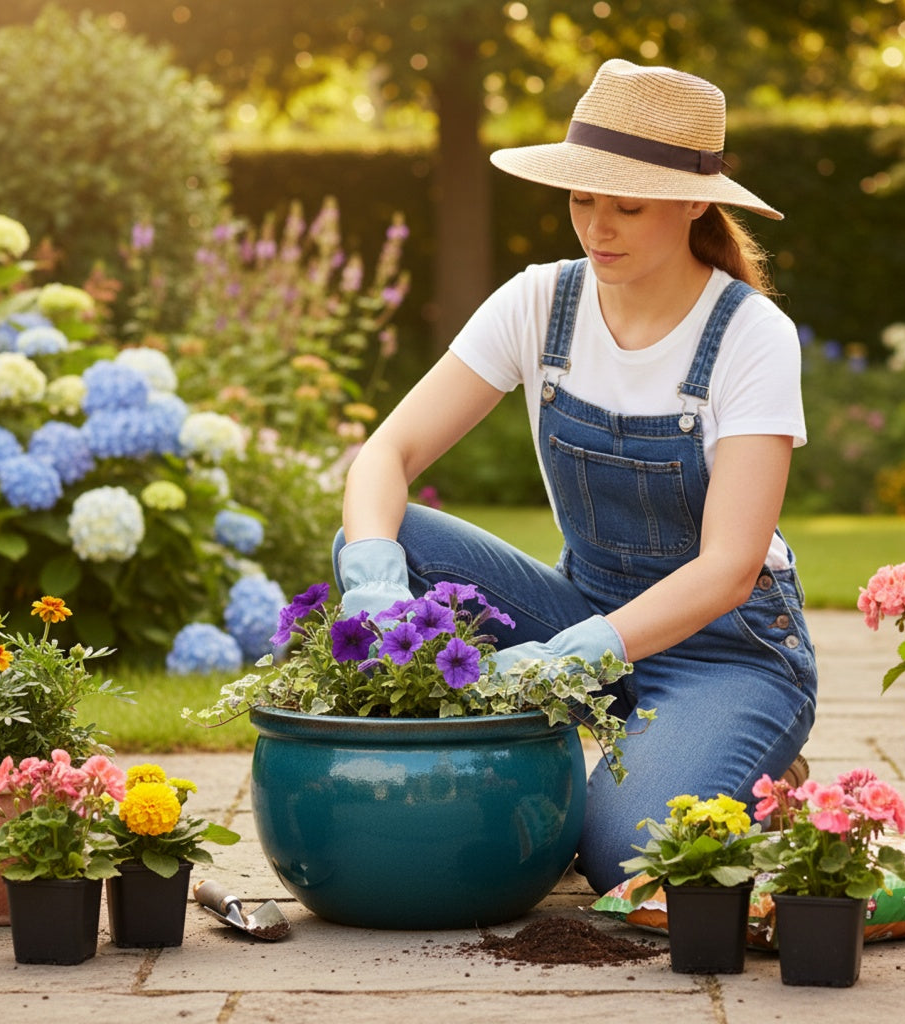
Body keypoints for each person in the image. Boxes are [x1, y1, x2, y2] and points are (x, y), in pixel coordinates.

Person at [332, 59, 817, 895]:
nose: (599, 227)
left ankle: (749, 758)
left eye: (627, 204)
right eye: (582, 199)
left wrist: (581, 657)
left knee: (617, 853)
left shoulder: (750, 336)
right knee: (381, 531)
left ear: (696, 200)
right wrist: (372, 578)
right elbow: (388, 454)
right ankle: (655, 749)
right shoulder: (540, 302)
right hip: (582, 613)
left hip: (723, 655)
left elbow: (731, 568)